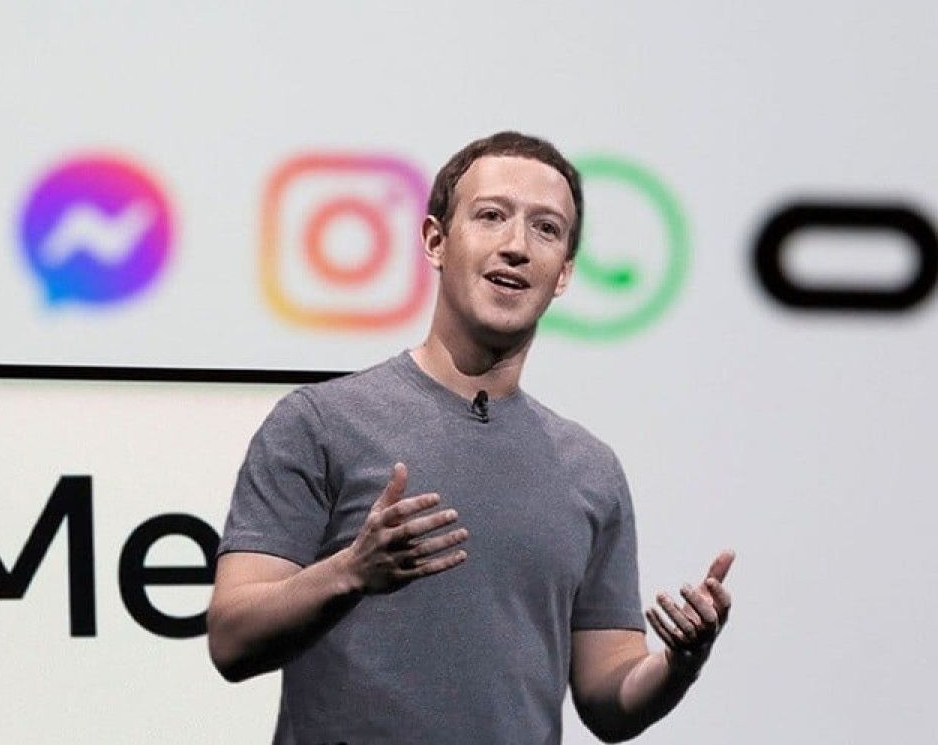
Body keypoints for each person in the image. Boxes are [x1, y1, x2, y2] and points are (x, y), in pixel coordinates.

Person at [208, 131, 734, 744]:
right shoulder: (320, 423)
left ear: (563, 274)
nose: (517, 246)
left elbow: (608, 698)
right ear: (436, 240)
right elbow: (232, 638)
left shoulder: (590, 470)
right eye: (491, 216)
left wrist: (679, 665)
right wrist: (351, 570)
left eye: (546, 229)